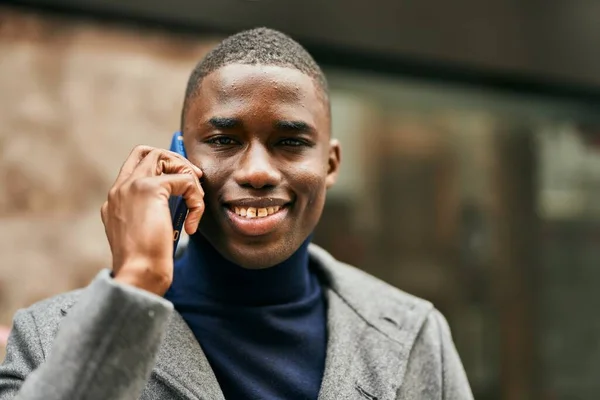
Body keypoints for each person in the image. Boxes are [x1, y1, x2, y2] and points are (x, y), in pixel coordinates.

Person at [0, 28, 474, 400]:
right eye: (224, 141)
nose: (257, 171)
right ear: (177, 156)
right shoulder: (48, 337)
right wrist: (137, 281)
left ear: (330, 164)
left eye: (290, 143)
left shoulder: (412, 336)